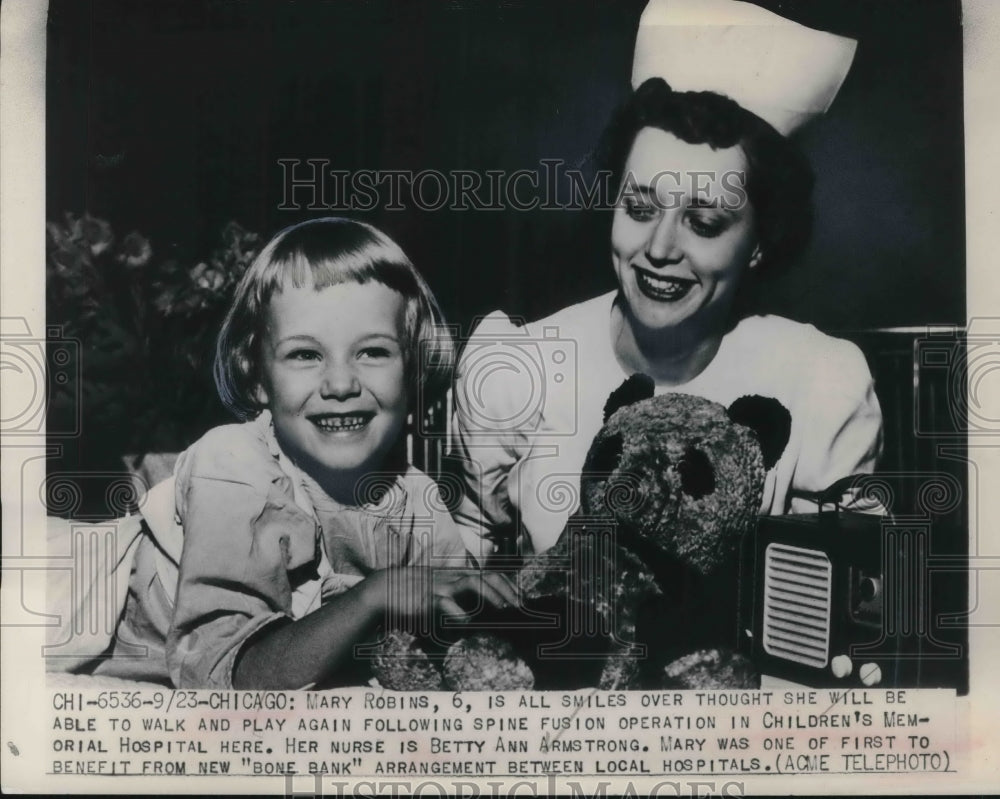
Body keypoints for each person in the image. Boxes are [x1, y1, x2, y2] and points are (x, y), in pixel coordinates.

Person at [452, 0, 883, 560]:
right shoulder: (519, 370)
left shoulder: (823, 384)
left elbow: (834, 599)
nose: (659, 249)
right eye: (638, 208)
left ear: (760, 243)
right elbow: (462, 566)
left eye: (703, 223)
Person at [62, 218, 516, 689]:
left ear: (413, 370)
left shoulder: (417, 496)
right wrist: (375, 594)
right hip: (77, 598)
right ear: (256, 375)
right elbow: (226, 676)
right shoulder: (235, 465)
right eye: (305, 355)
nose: (341, 384)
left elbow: (460, 623)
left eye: (373, 353)